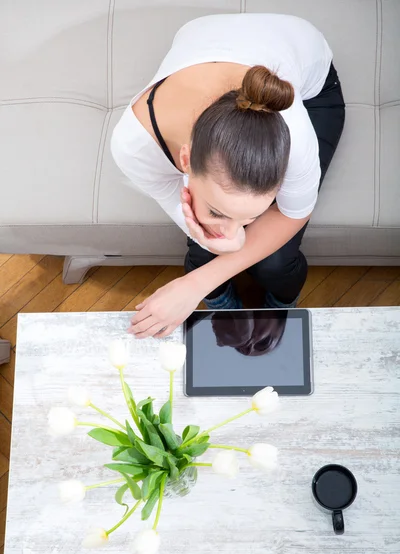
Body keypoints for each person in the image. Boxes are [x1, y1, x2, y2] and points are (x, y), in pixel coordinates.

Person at [111, 13, 345, 340]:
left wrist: (197, 282)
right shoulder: (134, 147)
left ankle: (278, 312)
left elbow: (294, 213)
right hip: (205, 38)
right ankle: (228, 312)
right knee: (203, 253)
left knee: (276, 262)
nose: (238, 234)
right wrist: (216, 251)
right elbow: (187, 214)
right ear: (186, 159)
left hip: (312, 94)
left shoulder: (293, 135)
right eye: (220, 212)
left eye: (251, 215)